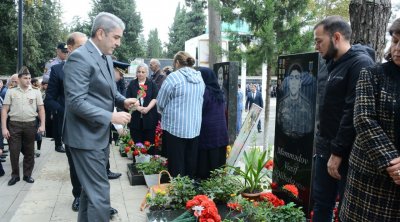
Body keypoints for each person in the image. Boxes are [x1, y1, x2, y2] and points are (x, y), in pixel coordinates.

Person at [63, 12, 138, 221]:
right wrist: (111, 117)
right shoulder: (79, 57)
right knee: (100, 196)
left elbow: (109, 90)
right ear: (101, 33)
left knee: (90, 193)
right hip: (85, 138)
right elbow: (76, 102)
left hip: (97, 135)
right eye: (116, 37)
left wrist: (123, 100)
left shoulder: (105, 57)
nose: (119, 43)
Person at [311, 15, 375, 221]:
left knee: (346, 209)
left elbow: (352, 112)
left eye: (319, 40)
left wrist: (337, 153)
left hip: (344, 155)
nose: (316, 46)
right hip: (325, 148)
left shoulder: (360, 64)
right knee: (321, 202)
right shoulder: (332, 63)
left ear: (336, 37)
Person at [339, 18, 400, 221]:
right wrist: (394, 164)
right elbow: (364, 119)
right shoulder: (373, 74)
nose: (397, 48)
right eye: (396, 41)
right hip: (369, 181)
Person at [45, 32, 87, 212]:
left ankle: (96, 200)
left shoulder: (91, 67)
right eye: (80, 47)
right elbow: (50, 99)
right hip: (70, 125)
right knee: (75, 163)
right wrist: (66, 111)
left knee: (94, 163)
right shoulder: (57, 70)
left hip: (91, 123)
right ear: (69, 49)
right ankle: (78, 195)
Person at [157, 51, 205, 178]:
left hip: (175, 127)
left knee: (176, 163)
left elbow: (161, 102)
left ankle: (177, 192)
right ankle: (189, 190)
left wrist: (163, 111)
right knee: (190, 162)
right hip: (194, 126)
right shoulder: (199, 78)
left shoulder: (173, 77)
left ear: (177, 63)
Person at [1, 66, 45, 186]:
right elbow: (4, 110)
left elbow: (41, 109)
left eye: (29, 78)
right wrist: (4, 128)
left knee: (29, 151)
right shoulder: (11, 91)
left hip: (30, 125)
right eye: (25, 78)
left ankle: (27, 175)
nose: (28, 80)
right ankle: (15, 176)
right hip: (14, 125)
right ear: (19, 79)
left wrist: (42, 125)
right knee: (14, 152)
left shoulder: (36, 91)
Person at [196, 67, 228, 180]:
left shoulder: (205, 92)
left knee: (206, 165)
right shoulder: (219, 92)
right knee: (217, 164)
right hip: (220, 131)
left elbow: (199, 110)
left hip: (207, 132)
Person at [126, 63, 159, 147]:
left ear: (147, 73)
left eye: (143, 72)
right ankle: (137, 159)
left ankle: (150, 159)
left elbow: (155, 98)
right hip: (135, 118)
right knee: (136, 143)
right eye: (139, 71)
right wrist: (138, 108)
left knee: (149, 143)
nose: (140, 73)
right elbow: (128, 99)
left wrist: (147, 108)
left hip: (149, 118)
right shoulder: (132, 84)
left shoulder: (152, 83)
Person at [277, 65, 313, 138]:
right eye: (291, 78)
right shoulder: (281, 105)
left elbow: (309, 129)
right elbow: (279, 126)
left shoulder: (307, 106)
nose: (293, 82)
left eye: (297, 78)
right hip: (285, 142)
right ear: (289, 82)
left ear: (300, 83)